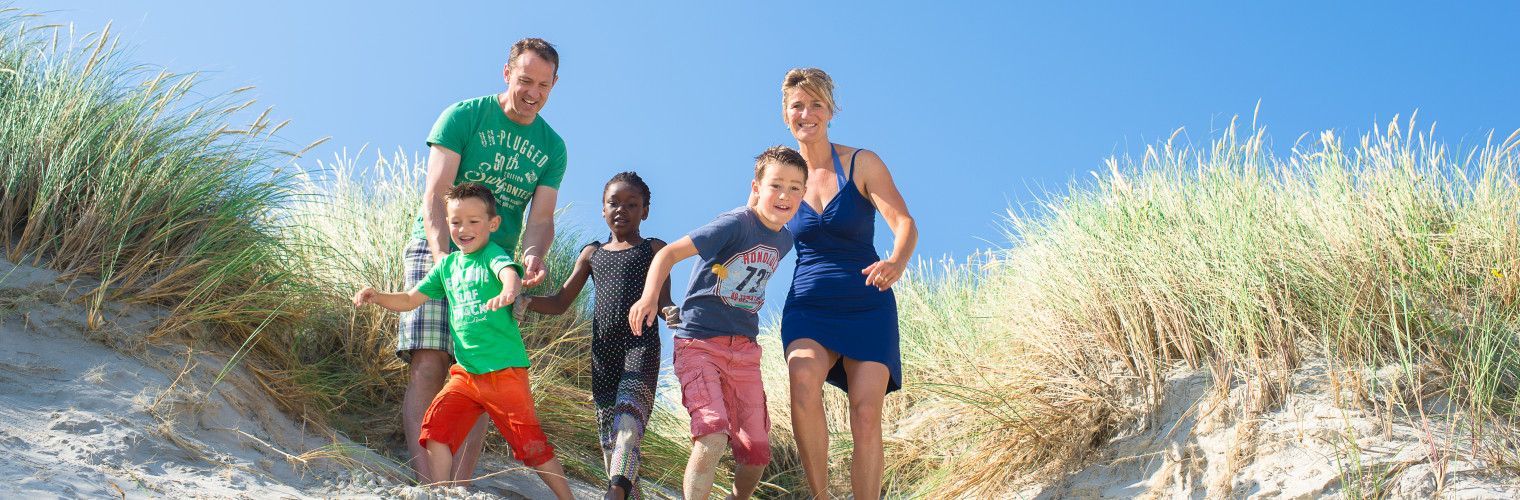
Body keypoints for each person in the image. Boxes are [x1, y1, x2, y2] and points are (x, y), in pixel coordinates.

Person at [397, 37, 568, 482]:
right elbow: (435, 196)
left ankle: (458, 486)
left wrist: (532, 256)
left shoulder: (552, 147)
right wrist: (445, 263)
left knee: (482, 374)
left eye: (544, 85)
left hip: (493, 263)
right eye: (526, 80)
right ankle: (429, 485)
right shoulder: (464, 116)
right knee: (430, 360)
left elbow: (541, 218)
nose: (533, 93)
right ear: (506, 73)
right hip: (438, 249)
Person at [355, 183, 573, 499]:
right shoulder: (447, 266)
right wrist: (377, 296)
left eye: (473, 221)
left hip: (504, 373)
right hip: (467, 375)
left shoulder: (493, 254)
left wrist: (509, 291)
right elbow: (409, 299)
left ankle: (567, 497)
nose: (464, 229)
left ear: (492, 224)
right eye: (456, 222)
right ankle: (442, 493)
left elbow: (507, 274)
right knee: (435, 430)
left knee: (530, 445)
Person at [628, 146, 808, 500]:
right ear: (755, 188)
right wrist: (650, 297)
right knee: (712, 435)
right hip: (700, 345)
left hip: (744, 353)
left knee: (756, 452)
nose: (784, 195)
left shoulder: (784, 240)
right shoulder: (735, 223)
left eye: (795, 187)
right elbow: (668, 253)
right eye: (775, 185)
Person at [776, 68, 918, 499]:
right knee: (802, 382)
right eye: (798, 105)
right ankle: (820, 496)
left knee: (865, 412)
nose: (807, 113)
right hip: (809, 306)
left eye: (816, 103)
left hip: (867, 303)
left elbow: (904, 223)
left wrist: (896, 260)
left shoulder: (862, 162)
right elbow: (752, 232)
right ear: (786, 114)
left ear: (831, 109)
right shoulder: (780, 175)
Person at [516, 172, 675, 499]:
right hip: (603, 358)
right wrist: (525, 301)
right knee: (610, 445)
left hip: (640, 350)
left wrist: (673, 313)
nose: (621, 210)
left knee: (628, 427)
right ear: (602, 209)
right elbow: (561, 302)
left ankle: (613, 494)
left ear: (645, 211)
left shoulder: (655, 250)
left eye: (632, 204)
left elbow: (664, 302)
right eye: (613, 203)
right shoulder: (592, 254)